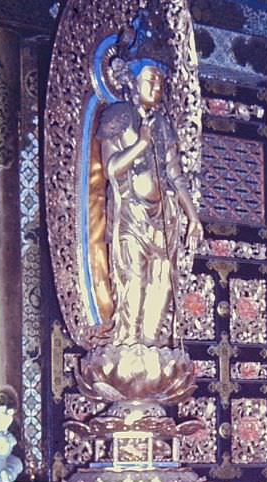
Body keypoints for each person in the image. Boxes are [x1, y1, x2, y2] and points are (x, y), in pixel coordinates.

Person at [96, 57, 203, 348]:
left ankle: (151, 344)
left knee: (163, 281)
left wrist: (193, 217)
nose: (156, 86)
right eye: (150, 79)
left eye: (160, 81)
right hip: (131, 212)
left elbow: (175, 175)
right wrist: (141, 145)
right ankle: (130, 343)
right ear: (132, 81)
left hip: (164, 214)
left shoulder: (163, 126)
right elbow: (111, 168)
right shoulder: (117, 117)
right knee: (135, 279)